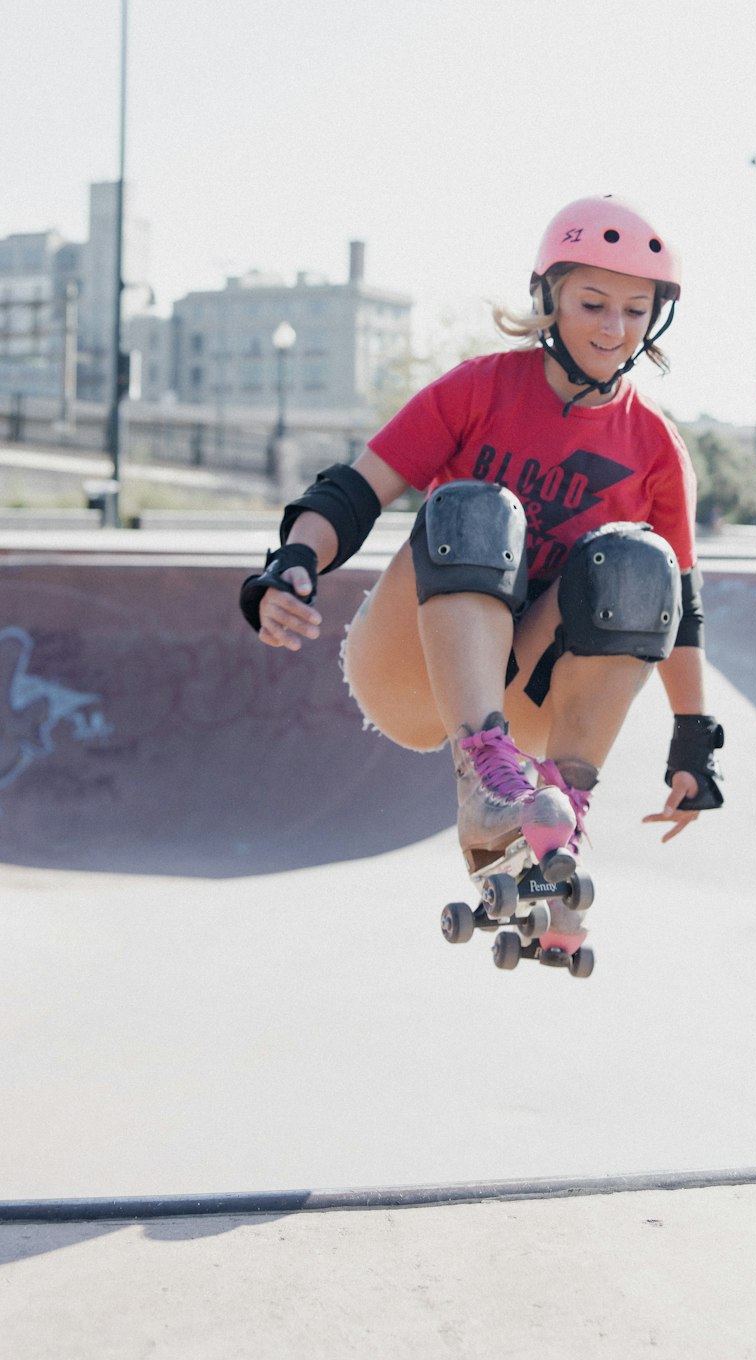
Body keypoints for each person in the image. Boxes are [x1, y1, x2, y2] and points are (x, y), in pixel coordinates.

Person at [239, 195, 724, 965]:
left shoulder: (658, 447)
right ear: (550, 300)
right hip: (410, 668)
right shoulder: (480, 388)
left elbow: (683, 612)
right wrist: (293, 559)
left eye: (636, 310)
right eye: (592, 304)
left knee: (639, 562)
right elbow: (356, 490)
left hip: (527, 689)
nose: (613, 329)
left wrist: (695, 741)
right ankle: (485, 778)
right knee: (472, 508)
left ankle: (553, 820)